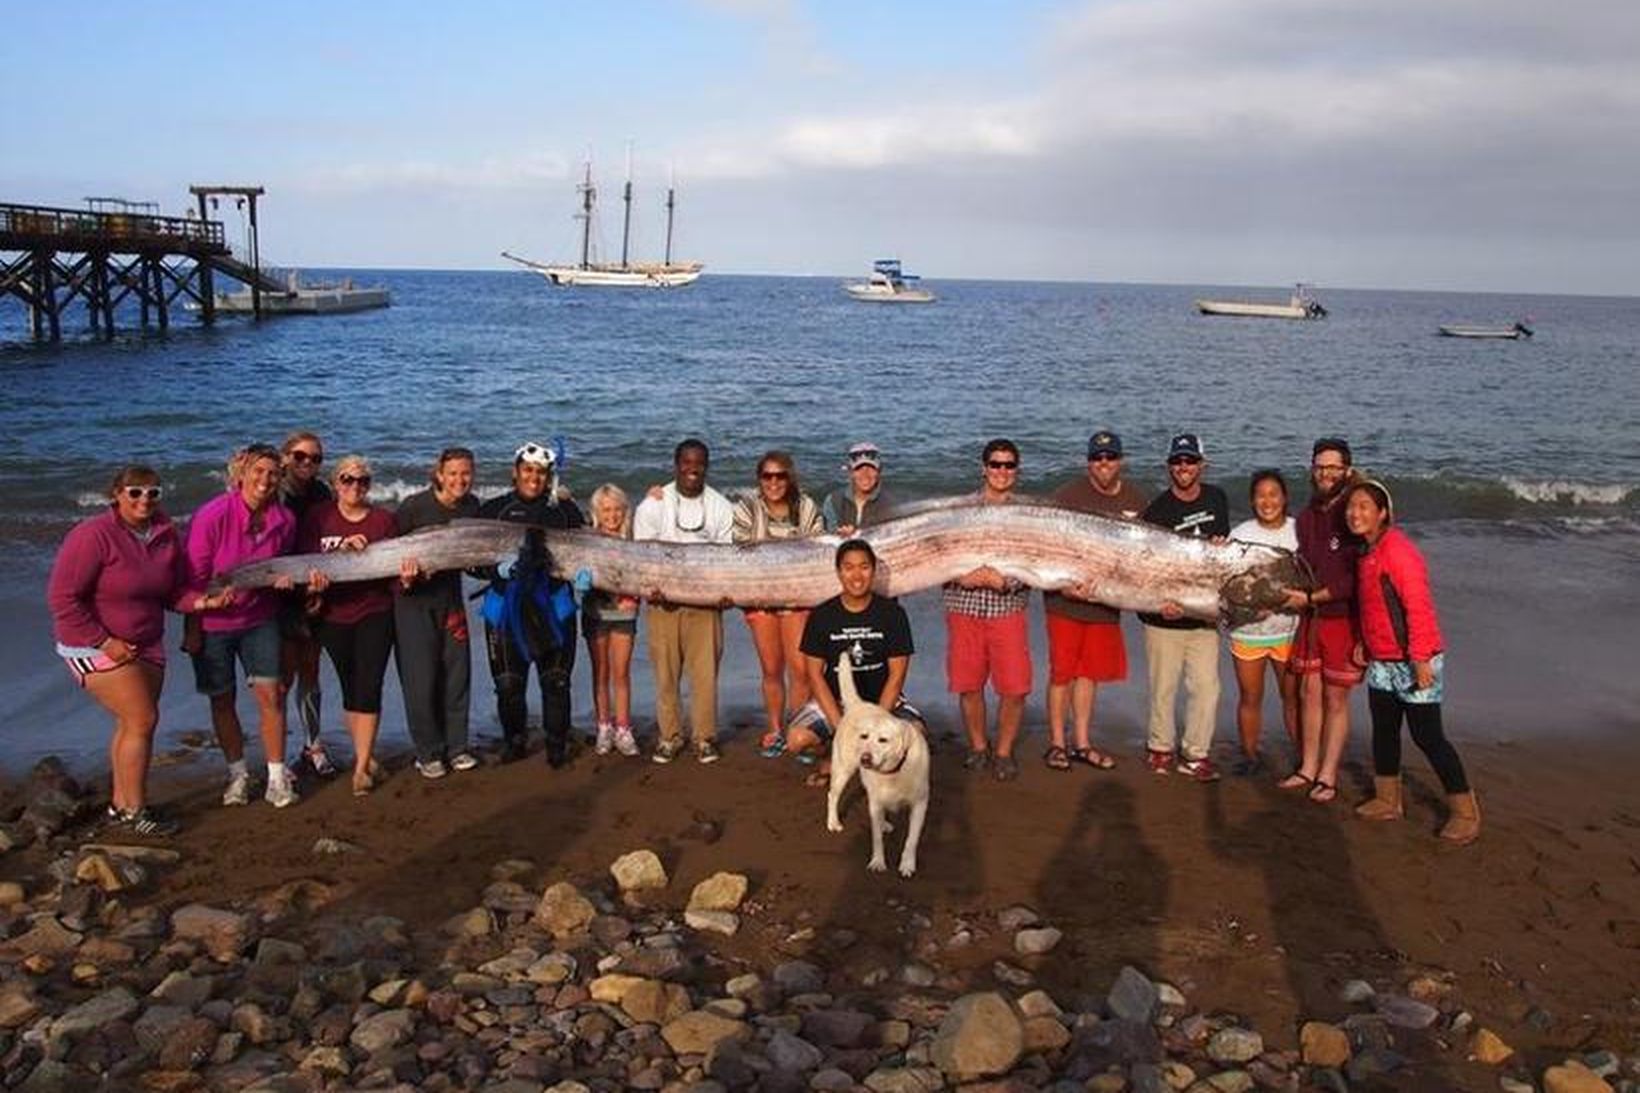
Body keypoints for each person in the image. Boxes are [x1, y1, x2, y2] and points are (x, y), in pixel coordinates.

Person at [47, 466, 232, 836]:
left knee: (132, 723)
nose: (144, 500)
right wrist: (104, 642)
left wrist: (205, 604)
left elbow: (172, 593)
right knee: (142, 719)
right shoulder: (93, 535)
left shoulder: (165, 535)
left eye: (153, 493)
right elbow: (63, 599)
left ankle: (121, 805)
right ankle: (134, 810)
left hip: (146, 642)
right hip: (92, 643)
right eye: (135, 492)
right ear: (116, 495)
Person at [1344, 480, 1479, 844]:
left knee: (1428, 736)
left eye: (1364, 507)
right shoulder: (1366, 552)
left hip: (1416, 659)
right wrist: (1363, 643)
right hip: (1382, 661)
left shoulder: (1398, 552)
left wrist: (1420, 659)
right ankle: (1388, 799)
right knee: (1384, 731)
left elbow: (1418, 608)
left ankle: (1465, 812)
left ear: (1382, 513)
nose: (1355, 513)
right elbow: (1372, 608)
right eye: (1351, 507)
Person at [184, 443, 302, 808]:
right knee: (222, 699)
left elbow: (281, 567)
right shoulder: (212, 515)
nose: (265, 480)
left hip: (259, 618)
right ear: (241, 474)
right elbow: (193, 578)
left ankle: (277, 777)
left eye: (272, 473)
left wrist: (285, 581)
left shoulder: (285, 520)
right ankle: (237, 774)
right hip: (213, 621)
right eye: (258, 471)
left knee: (272, 694)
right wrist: (193, 627)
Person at [1041, 430, 1146, 772]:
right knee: (1062, 674)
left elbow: (1145, 557)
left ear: (1121, 461)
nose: (1104, 464)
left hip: (1105, 605)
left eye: (1110, 457)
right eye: (1098, 458)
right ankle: (1057, 743)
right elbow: (1043, 544)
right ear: (1089, 463)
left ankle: (1082, 742)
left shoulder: (1136, 499)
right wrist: (1064, 586)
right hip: (1065, 602)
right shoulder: (1066, 495)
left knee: (1089, 675)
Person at [477, 442, 585, 769]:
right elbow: (467, 559)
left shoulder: (564, 511)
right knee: (509, 684)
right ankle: (515, 741)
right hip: (504, 608)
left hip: (554, 607)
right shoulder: (493, 510)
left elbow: (586, 552)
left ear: (548, 476)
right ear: (515, 472)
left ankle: (556, 744)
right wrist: (493, 570)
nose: (534, 478)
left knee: (556, 681)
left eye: (540, 472)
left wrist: (586, 575)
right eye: (527, 470)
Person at [297, 456, 399, 797]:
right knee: (350, 687)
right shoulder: (319, 517)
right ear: (335, 483)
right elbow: (305, 561)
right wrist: (315, 582)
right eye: (347, 479)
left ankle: (361, 768)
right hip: (333, 614)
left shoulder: (383, 521)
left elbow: (394, 574)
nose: (355, 486)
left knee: (370, 685)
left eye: (363, 481)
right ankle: (365, 757)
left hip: (375, 611)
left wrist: (410, 578)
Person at [632, 438, 735, 764]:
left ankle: (705, 738)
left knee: (705, 676)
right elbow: (642, 555)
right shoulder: (653, 505)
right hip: (663, 604)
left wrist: (723, 593)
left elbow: (727, 557)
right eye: (687, 462)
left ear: (706, 466)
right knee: (666, 675)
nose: (693, 469)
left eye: (699, 463)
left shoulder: (720, 506)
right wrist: (652, 588)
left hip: (706, 605)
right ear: (676, 465)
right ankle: (670, 736)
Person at [1139, 433, 1230, 782]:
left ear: (1202, 465)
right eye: (1177, 462)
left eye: (1190, 461)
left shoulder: (1217, 498)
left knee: (1206, 687)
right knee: (1163, 687)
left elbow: (1217, 558)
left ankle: (1196, 753)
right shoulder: (1157, 510)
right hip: (1163, 615)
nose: (1184, 467)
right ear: (1168, 467)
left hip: (1203, 616)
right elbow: (1145, 567)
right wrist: (1160, 605)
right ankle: (1160, 747)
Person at [1277, 438, 1363, 804]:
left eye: (1333, 467)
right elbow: (1303, 565)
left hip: (1342, 618)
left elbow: (1354, 577)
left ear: (1347, 469)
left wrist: (1312, 598)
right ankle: (1307, 766)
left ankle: (1328, 774)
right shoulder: (1309, 515)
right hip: (1311, 619)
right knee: (1308, 693)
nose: (1326, 473)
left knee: (1335, 698)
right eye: (1320, 466)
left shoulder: (1355, 510)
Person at [944, 438, 1032, 782]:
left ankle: (1004, 752)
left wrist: (1006, 582)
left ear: (1017, 471)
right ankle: (978, 747)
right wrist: (961, 577)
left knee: (1015, 688)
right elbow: (936, 553)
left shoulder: (1028, 514)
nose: (1002, 471)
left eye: (1009, 465)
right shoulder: (958, 510)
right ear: (984, 468)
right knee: (968, 685)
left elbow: (1037, 558)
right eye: (995, 464)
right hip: (963, 605)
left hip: (1007, 607)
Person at [395, 447, 482, 776]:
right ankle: (428, 752)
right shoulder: (413, 508)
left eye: (466, 473)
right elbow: (388, 556)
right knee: (421, 681)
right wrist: (405, 580)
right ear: (440, 474)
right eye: (454, 473)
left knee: (457, 674)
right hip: (412, 603)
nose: (460, 479)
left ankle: (457, 747)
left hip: (450, 600)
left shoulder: (472, 507)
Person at [733, 450, 825, 759]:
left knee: (800, 670)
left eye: (780, 475)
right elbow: (740, 552)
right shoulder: (747, 508)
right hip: (760, 597)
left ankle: (798, 728)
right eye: (767, 476)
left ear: (790, 477)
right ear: (760, 480)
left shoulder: (807, 507)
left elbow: (817, 551)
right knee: (771, 668)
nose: (774, 482)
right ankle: (774, 729)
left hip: (797, 597)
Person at [797, 538, 921, 755]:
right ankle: (833, 757)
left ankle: (875, 763)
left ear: (873, 571)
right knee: (797, 739)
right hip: (837, 702)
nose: (857, 576)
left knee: (915, 735)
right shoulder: (821, 615)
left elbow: (897, 676)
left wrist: (876, 728)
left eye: (864, 567)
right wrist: (840, 727)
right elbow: (814, 675)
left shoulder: (893, 614)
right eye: (848, 568)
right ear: (838, 572)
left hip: (883, 702)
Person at [1228, 470, 1301, 775]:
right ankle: (1249, 755)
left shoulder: (1300, 532)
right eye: (1260, 495)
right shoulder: (1240, 534)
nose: (1267, 501)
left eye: (1273, 494)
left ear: (1284, 498)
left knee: (1292, 698)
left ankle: (1304, 757)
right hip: (1248, 631)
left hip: (1290, 632)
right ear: (1252, 500)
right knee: (1250, 697)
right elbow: (1228, 584)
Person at [277, 431, 335, 777]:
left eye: (315, 458)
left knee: (310, 670)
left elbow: (324, 542)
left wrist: (316, 591)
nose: (307, 463)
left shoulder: (321, 493)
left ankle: (313, 744)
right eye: (300, 456)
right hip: (279, 591)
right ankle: (278, 755)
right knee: (283, 675)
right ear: (286, 457)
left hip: (313, 586)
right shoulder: (273, 490)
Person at [583, 483, 641, 758]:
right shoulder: (587, 538)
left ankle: (623, 728)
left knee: (621, 673)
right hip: (595, 612)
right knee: (601, 673)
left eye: (617, 509)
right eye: (606, 509)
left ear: (625, 511)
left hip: (625, 613)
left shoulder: (633, 540)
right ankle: (603, 726)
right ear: (596, 512)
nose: (612, 515)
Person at [821, 442, 898, 533]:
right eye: (859, 468)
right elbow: (829, 536)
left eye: (871, 468)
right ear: (850, 473)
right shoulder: (833, 501)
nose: (865, 474)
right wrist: (839, 534)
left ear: (879, 472)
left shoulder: (893, 504)